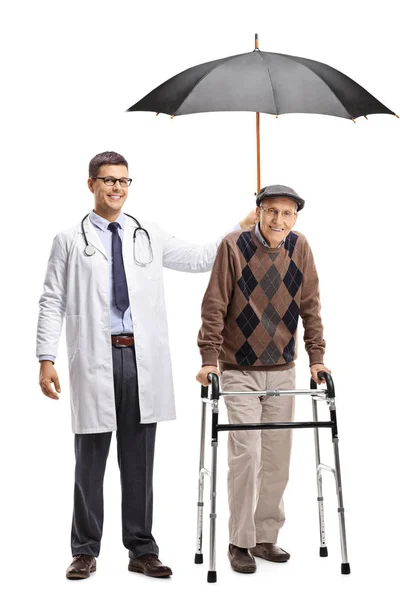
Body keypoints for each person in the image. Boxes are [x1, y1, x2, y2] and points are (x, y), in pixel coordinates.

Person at [37, 151, 256, 580]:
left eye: (123, 181)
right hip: (95, 360)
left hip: (140, 360)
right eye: (108, 181)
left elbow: (198, 258)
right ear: (91, 185)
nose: (117, 188)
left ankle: (141, 548)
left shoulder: (146, 233)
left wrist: (241, 227)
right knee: (90, 460)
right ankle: (84, 550)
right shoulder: (69, 239)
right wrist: (46, 358)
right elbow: (51, 300)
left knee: (138, 460)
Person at [196, 184, 330, 574]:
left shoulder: (300, 247)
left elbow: (311, 306)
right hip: (238, 369)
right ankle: (239, 541)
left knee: (276, 459)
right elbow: (214, 305)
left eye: (287, 214)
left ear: (296, 219)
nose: (278, 220)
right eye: (271, 211)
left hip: (283, 370)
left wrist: (316, 359)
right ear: (257, 212)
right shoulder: (233, 246)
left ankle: (264, 536)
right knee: (246, 454)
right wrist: (209, 359)